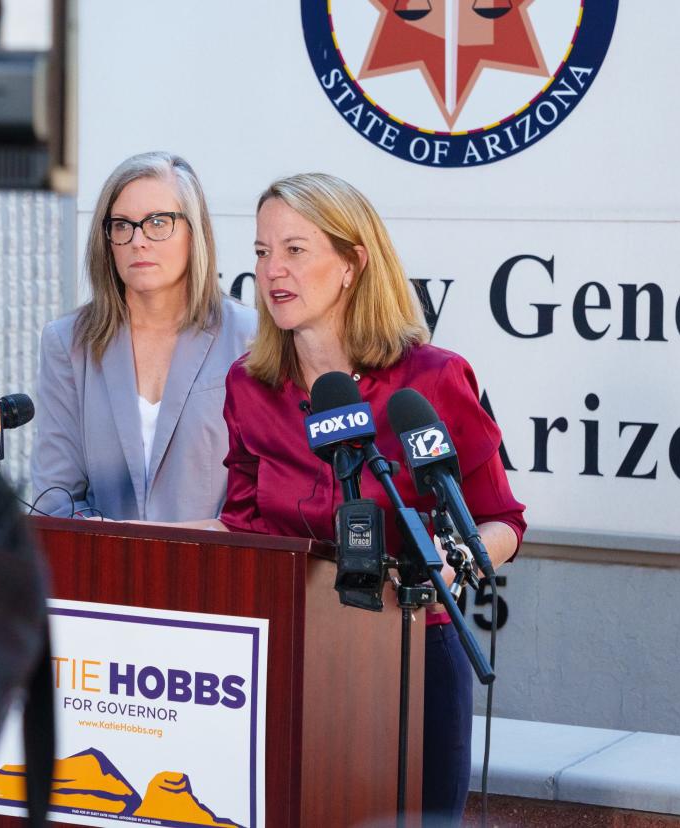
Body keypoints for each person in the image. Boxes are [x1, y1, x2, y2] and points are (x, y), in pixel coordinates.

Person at [214, 172, 526, 821]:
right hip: (288, 654)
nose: (274, 270)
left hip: (411, 656)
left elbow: (501, 520)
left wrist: (454, 558)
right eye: (262, 251)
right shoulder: (249, 385)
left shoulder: (432, 379)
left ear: (353, 262)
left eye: (295, 249)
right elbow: (240, 528)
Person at [31, 151, 255, 521]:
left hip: (219, 569)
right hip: (104, 571)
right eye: (122, 225)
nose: (138, 241)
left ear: (193, 232)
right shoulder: (68, 342)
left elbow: (264, 495)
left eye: (157, 222)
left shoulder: (249, 336)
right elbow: (56, 498)